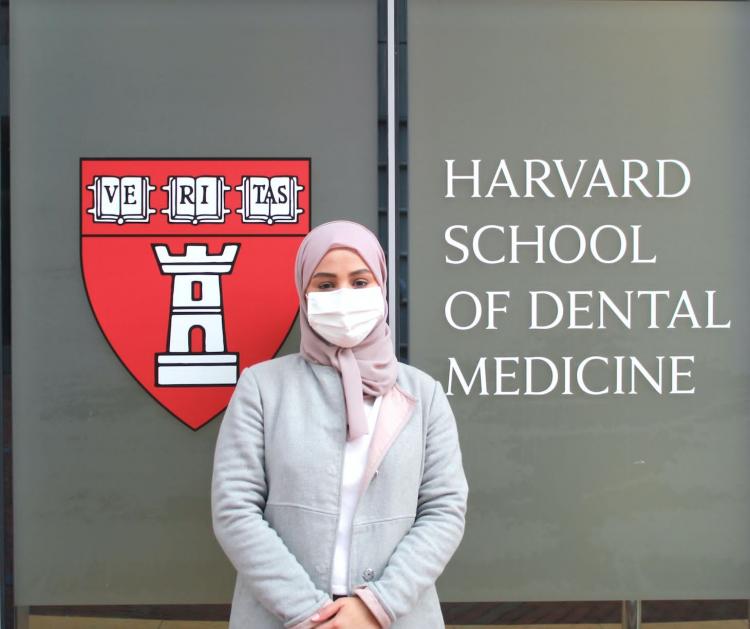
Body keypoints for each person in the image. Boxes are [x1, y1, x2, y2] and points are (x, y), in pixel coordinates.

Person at [211, 219, 469, 628]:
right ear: (304, 293)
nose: (344, 296)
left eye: (360, 281)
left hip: (395, 617)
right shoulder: (261, 387)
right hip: (281, 617)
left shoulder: (425, 394)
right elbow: (235, 508)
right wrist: (309, 612)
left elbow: (444, 510)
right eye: (326, 284)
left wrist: (376, 606)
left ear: (381, 287)